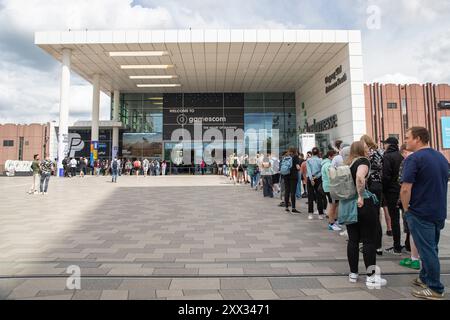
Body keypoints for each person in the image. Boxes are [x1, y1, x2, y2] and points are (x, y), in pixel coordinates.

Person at [401, 127, 448, 300]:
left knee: (427, 250)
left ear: (418, 139)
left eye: (407, 138)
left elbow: (406, 188)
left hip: (420, 211)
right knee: (431, 247)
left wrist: (406, 209)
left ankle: (435, 288)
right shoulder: (440, 157)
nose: (405, 141)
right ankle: (425, 278)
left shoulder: (414, 159)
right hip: (438, 211)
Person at [343, 141, 387, 288]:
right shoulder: (363, 161)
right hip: (363, 204)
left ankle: (353, 274)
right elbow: (360, 178)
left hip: (349, 204)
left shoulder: (348, 163)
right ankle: (371, 277)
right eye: (366, 148)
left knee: (353, 240)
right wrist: (361, 196)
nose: (369, 150)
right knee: (369, 240)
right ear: (361, 150)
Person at [360, 135, 384, 256]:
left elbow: (365, 171)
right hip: (379, 185)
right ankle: (378, 245)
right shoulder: (380, 152)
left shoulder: (369, 154)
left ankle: (372, 244)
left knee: (372, 215)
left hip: (371, 186)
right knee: (377, 214)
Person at [398, 143, 420, 270]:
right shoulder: (429, 158)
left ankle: (415, 259)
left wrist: (405, 207)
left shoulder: (408, 161)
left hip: (412, 202)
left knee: (413, 230)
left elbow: (404, 185)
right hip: (428, 203)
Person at [381, 137, 404, 255]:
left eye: (385, 144)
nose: (384, 146)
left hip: (391, 191)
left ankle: (397, 246)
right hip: (402, 189)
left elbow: (386, 176)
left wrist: (383, 189)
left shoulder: (387, 157)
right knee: (406, 218)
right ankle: (409, 245)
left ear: (389, 145)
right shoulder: (401, 156)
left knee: (394, 218)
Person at [321, 150, 341, 231]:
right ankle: (331, 223)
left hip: (328, 187)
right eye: (334, 156)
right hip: (330, 187)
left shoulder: (326, 163)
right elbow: (331, 177)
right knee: (333, 205)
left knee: (335, 204)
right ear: (330, 156)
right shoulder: (328, 165)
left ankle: (333, 222)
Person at [307, 147, 325, 220]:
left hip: (310, 179)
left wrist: (311, 178)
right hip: (318, 178)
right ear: (318, 153)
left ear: (312, 152)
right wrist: (316, 177)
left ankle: (310, 214)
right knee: (319, 196)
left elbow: (308, 170)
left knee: (310, 196)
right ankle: (320, 214)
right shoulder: (321, 160)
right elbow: (321, 171)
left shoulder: (308, 160)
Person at [282, 147, 301, 214]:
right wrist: (299, 169)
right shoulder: (295, 157)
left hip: (286, 176)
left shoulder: (286, 157)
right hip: (293, 176)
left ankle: (286, 207)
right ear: (295, 151)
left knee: (287, 191)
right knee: (293, 192)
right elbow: (297, 167)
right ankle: (293, 208)